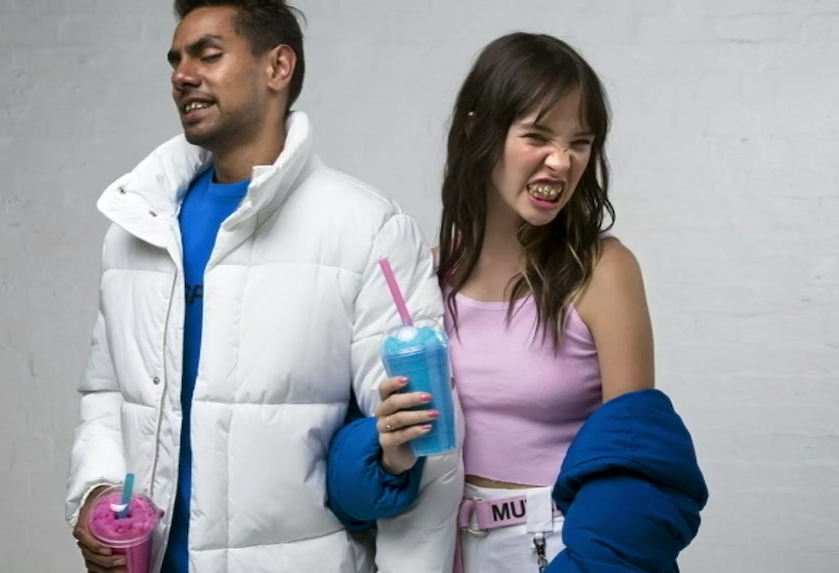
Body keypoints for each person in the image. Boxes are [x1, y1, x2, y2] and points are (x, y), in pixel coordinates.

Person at [64, 1, 462, 572]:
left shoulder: (367, 229)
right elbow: (107, 392)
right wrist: (98, 491)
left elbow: (428, 453)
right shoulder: (138, 226)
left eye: (208, 54)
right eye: (176, 60)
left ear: (278, 67)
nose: (182, 75)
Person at [326, 32, 708, 572]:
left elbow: (632, 463)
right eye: (538, 136)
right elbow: (385, 463)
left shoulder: (602, 271)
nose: (561, 161)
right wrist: (389, 449)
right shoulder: (424, 279)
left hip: (561, 548)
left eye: (580, 142)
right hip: (440, 545)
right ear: (478, 130)